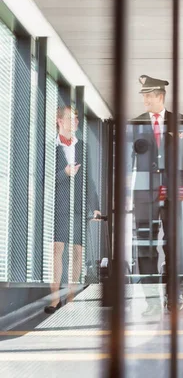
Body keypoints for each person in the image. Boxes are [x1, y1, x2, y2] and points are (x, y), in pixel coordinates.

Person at [130, 75, 183, 314]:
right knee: (145, 246)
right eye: (144, 96)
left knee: (177, 244)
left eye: (149, 95)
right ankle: (152, 301)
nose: (145, 99)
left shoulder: (182, 122)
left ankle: (174, 295)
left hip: (175, 193)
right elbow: (128, 162)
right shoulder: (135, 123)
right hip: (144, 194)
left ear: (161, 96)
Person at [45, 106, 101, 314]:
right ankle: (53, 300)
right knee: (56, 250)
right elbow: (45, 179)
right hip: (58, 207)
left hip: (77, 207)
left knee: (77, 250)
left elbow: (89, 180)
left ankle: (70, 298)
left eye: (77, 119)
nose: (75, 122)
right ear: (59, 121)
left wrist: (94, 207)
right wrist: (65, 173)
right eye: (71, 118)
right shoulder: (50, 147)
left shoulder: (82, 147)